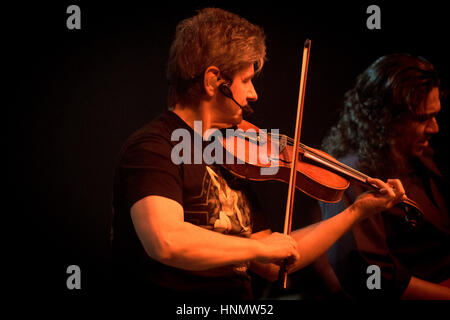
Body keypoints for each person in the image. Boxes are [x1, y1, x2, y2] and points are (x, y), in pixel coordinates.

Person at [111, 8, 406, 300]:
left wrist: (356, 211)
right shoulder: (153, 147)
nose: (254, 94)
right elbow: (166, 240)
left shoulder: (228, 153)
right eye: (246, 80)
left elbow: (274, 259)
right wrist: (260, 248)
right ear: (214, 80)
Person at [320, 53, 450, 300]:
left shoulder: (423, 156)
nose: (435, 128)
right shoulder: (352, 176)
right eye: (423, 119)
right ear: (385, 118)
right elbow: (371, 277)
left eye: (435, 115)